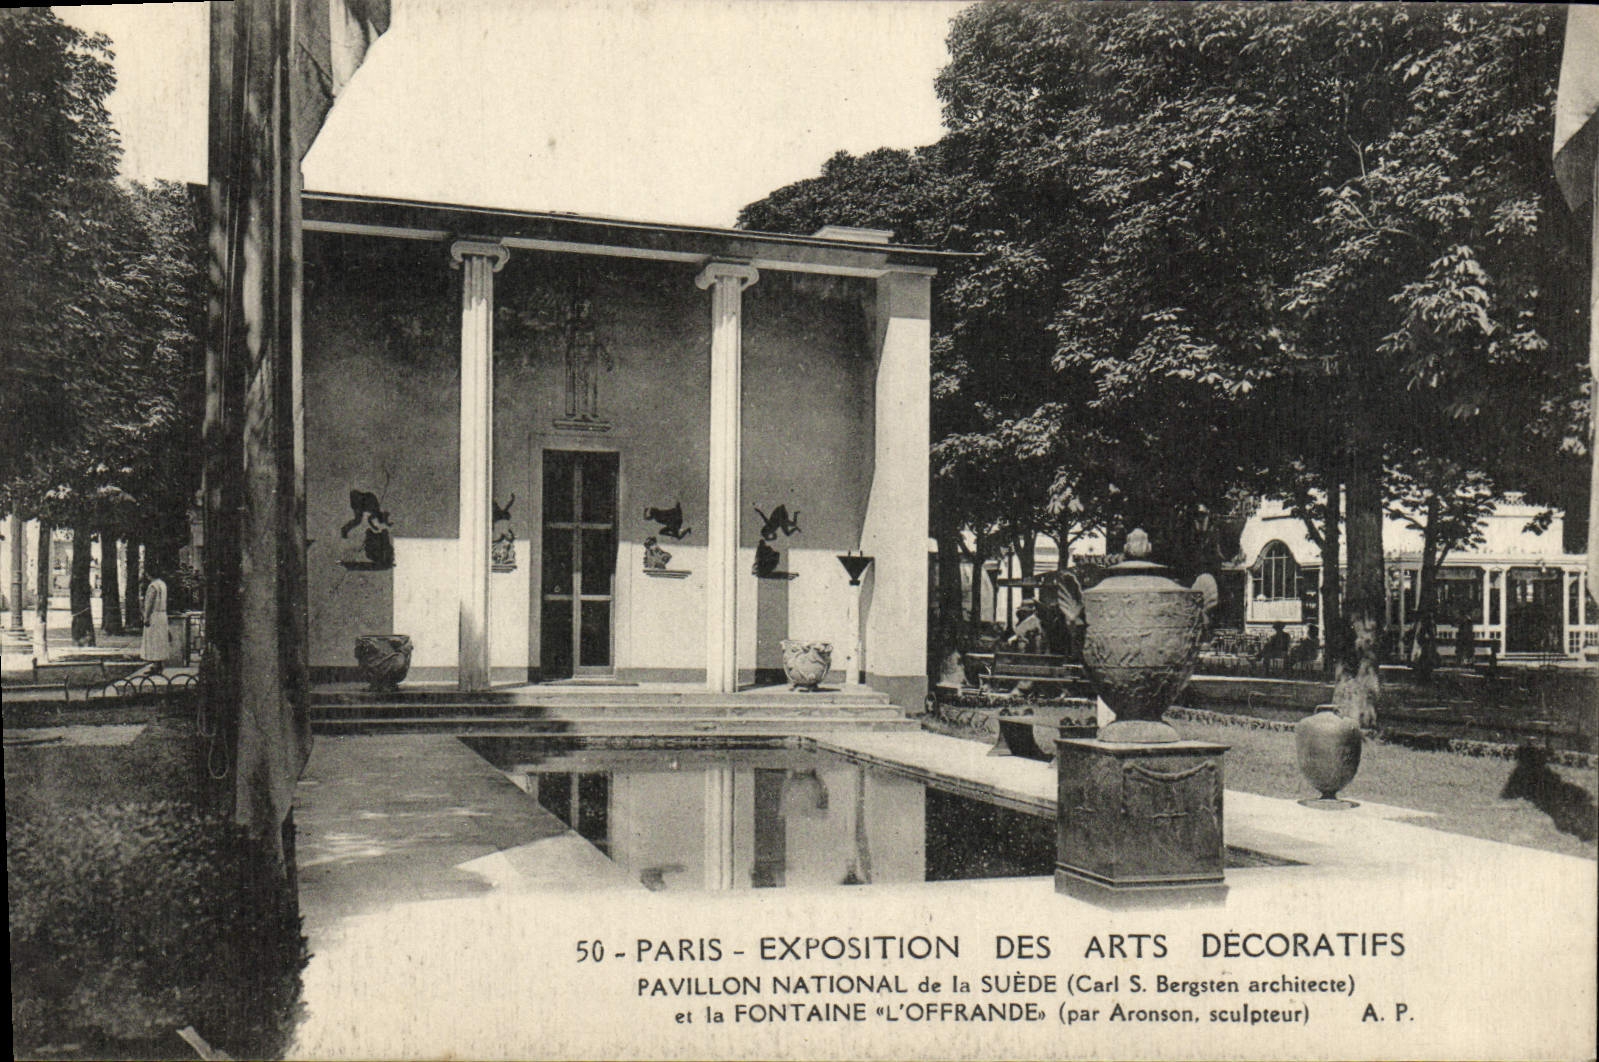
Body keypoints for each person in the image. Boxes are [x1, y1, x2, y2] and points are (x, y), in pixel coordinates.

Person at [140, 566, 172, 674]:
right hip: (162, 614)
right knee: (160, 639)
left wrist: (146, 617)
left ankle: (155, 664)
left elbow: (150, 603)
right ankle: (159, 663)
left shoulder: (153, 586)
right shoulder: (163, 584)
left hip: (154, 615)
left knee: (153, 640)